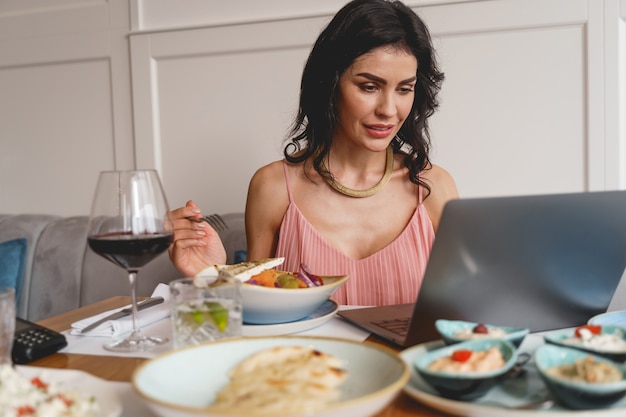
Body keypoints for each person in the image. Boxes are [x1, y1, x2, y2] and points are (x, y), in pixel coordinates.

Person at [169, 0, 459, 306]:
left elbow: (463, 312)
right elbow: (256, 315)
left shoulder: (434, 188)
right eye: (369, 87)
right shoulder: (273, 187)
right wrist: (213, 275)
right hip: (308, 356)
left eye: (404, 89)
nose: (389, 110)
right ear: (330, 85)